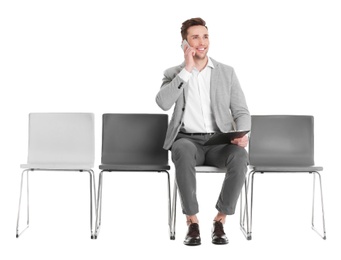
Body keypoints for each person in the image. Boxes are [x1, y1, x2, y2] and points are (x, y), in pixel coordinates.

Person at [155, 17, 251, 246]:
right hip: (187, 140)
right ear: (184, 43)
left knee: (240, 157)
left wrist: (243, 133)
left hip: (220, 141)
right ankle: (192, 221)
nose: (202, 41)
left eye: (205, 36)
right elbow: (162, 103)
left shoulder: (226, 72)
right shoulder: (173, 73)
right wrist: (186, 69)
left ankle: (220, 220)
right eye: (195, 37)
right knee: (183, 150)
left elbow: (241, 110)